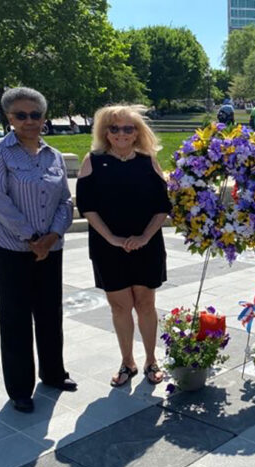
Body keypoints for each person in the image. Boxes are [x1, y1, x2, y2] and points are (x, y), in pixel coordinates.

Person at [0, 87, 77, 413]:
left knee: (50, 312)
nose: (29, 121)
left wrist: (51, 236)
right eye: (21, 115)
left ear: (44, 117)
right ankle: (20, 388)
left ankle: (53, 373)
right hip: (11, 248)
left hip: (50, 247)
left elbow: (66, 200)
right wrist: (30, 238)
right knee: (16, 317)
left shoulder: (54, 156)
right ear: (9, 118)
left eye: (35, 114)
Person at [76, 105, 172, 387]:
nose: (121, 133)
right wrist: (112, 239)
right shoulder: (92, 160)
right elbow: (87, 207)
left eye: (128, 128)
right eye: (114, 128)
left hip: (147, 245)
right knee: (120, 306)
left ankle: (151, 360)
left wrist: (144, 237)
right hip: (108, 247)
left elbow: (162, 206)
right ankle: (127, 362)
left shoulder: (148, 161)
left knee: (146, 303)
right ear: (105, 131)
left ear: (137, 132)